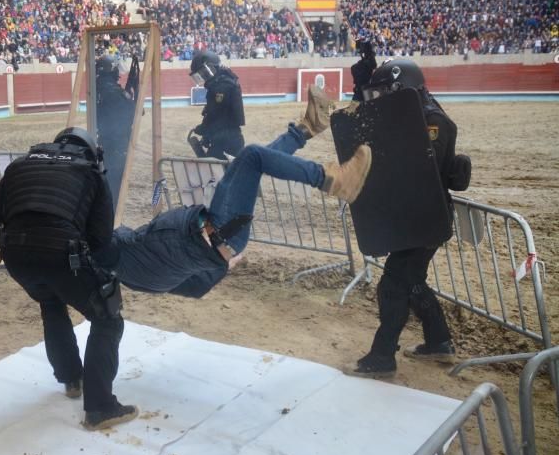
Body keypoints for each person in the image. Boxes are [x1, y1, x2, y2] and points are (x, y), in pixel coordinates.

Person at [103, 87, 372, 298]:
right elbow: (104, 236)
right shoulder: (117, 257)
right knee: (252, 156)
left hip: (218, 234)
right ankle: (333, 180)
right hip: (216, 231)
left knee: (248, 164)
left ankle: (306, 128)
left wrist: (224, 264)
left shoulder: (138, 278)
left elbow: (194, 289)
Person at [0, 127, 137, 431]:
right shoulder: (90, 171)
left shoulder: (20, 164)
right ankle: (100, 408)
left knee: (51, 304)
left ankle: (71, 379)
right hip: (61, 255)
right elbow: (101, 237)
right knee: (107, 319)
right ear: (91, 151)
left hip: (16, 256)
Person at [350, 59, 465, 378]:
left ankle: (382, 355)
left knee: (394, 285)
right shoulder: (412, 113)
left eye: (386, 92)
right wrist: (362, 91)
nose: (381, 99)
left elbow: (415, 166)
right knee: (411, 281)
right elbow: (368, 131)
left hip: (426, 218)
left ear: (404, 90)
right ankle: (439, 341)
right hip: (412, 216)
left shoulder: (432, 120)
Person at [95, 54, 135, 208]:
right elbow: (128, 113)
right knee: (115, 179)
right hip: (115, 141)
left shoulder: (99, 87)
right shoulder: (112, 91)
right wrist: (132, 100)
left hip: (105, 138)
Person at [189, 50, 245, 159]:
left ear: (212, 68)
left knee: (214, 170)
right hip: (225, 136)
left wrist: (203, 129)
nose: (203, 77)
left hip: (227, 138)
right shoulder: (221, 82)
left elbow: (215, 113)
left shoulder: (222, 86)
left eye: (203, 73)